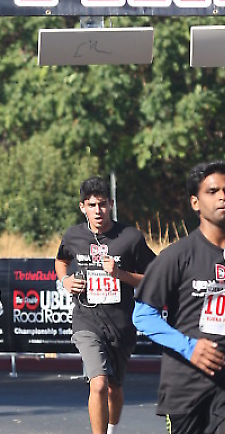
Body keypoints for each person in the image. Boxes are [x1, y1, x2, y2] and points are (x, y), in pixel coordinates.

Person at [133, 161, 225, 434]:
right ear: (195, 202)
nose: (222, 197)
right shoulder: (176, 257)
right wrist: (189, 347)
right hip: (185, 386)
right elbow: (143, 316)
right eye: (212, 191)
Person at [55, 176, 156, 434]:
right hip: (87, 319)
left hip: (121, 323)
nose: (98, 210)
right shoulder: (74, 235)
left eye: (102, 204)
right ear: (82, 207)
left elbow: (153, 278)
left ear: (111, 204)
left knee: (114, 387)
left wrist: (120, 274)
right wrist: (65, 280)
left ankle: (111, 430)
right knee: (98, 383)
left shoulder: (131, 238)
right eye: (92, 205)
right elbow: (61, 260)